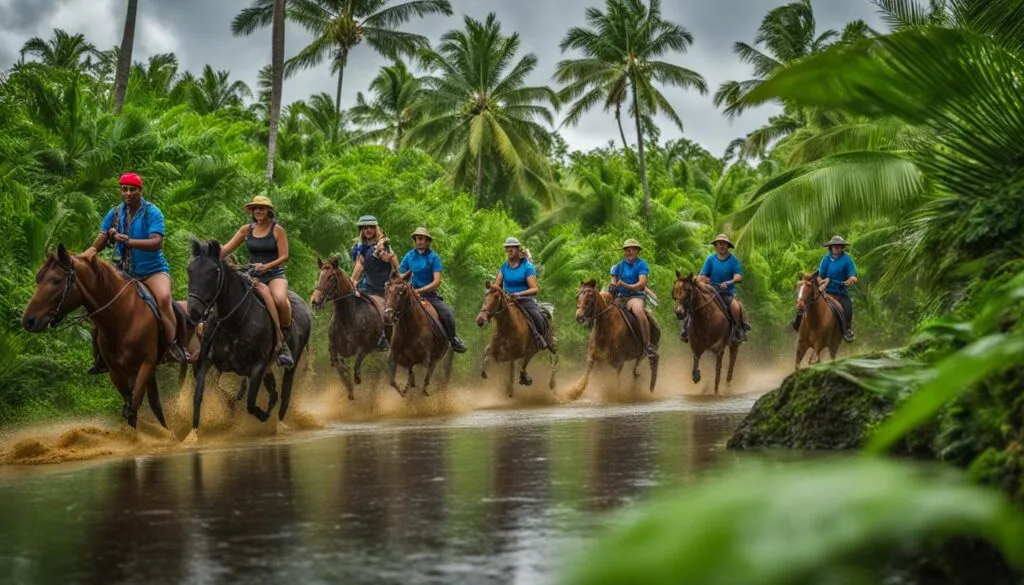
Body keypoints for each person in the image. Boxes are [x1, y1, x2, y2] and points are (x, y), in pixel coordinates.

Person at [81, 171, 190, 371]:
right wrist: (90, 252)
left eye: (132, 189)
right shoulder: (114, 213)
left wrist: (127, 241)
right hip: (124, 271)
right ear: (120, 191)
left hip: (153, 271)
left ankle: (174, 346)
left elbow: (157, 242)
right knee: (100, 304)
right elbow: (103, 235)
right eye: (124, 189)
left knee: (164, 299)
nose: (128, 193)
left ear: (140, 191)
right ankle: (101, 356)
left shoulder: (152, 212)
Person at [218, 195, 295, 366]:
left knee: (280, 299)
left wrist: (267, 266)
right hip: (252, 275)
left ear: (269, 211)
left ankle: (282, 340)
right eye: (255, 208)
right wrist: (211, 253)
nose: (258, 211)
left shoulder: (277, 230)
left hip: (275, 274)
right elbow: (225, 249)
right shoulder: (246, 230)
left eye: (261, 208)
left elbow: (284, 256)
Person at [398, 227, 467, 353]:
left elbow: (437, 281)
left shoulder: (434, 258)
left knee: (447, 314)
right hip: (410, 295)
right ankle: (385, 339)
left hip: (429, 295)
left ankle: (453, 339)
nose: (419, 241)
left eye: (422, 239)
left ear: (428, 241)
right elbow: (400, 274)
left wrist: (420, 290)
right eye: (417, 239)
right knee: (391, 310)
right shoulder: (409, 256)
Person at [350, 214, 400, 351]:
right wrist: (353, 281)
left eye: (371, 227)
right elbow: (359, 266)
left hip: (385, 287)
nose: (368, 230)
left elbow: (393, 262)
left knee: (387, 312)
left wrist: (385, 256)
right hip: (368, 285)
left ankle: (386, 337)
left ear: (375, 228)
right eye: (365, 228)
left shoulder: (384, 244)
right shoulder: (360, 248)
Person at [693, 233, 751, 343]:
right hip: (711, 291)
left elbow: (738, 276)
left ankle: (738, 330)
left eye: (724, 244)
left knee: (736, 307)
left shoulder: (733, 260)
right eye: (719, 244)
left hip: (727, 292)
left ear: (728, 246)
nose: (722, 246)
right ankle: (687, 329)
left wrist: (729, 282)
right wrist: (705, 280)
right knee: (694, 303)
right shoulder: (710, 259)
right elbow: (703, 275)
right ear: (716, 246)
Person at [492, 236, 548, 350]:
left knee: (537, 316)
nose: (509, 251)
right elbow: (497, 286)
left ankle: (541, 338)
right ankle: (494, 342)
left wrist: (518, 294)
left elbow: (534, 289)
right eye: (507, 249)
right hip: (507, 300)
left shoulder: (527, 267)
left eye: (512, 248)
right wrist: (491, 288)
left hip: (525, 300)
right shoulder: (504, 267)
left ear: (518, 249)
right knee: (491, 312)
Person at [609, 238, 657, 358]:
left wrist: (626, 285)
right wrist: (613, 286)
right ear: (624, 251)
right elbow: (613, 282)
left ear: (637, 251)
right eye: (627, 250)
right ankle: (600, 342)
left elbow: (642, 283)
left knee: (638, 311)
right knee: (604, 311)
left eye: (632, 250)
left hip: (636, 296)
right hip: (620, 297)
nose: (630, 252)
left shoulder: (642, 264)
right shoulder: (618, 266)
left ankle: (647, 344)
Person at [807, 235, 858, 342]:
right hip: (826, 291)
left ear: (843, 248)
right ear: (831, 247)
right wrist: (821, 281)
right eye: (835, 246)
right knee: (807, 300)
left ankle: (847, 329)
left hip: (840, 291)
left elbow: (853, 276)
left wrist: (851, 280)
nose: (837, 249)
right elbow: (821, 275)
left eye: (840, 246)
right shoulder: (825, 259)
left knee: (848, 307)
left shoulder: (847, 260)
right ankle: (798, 321)